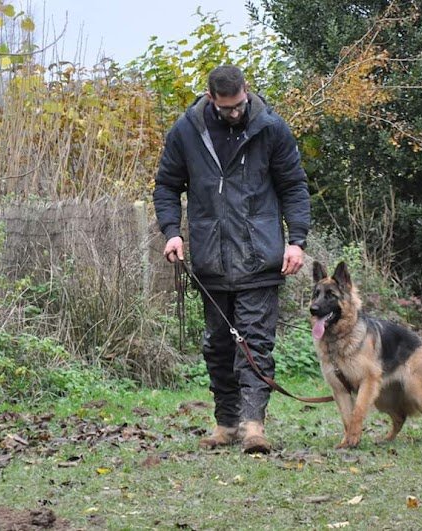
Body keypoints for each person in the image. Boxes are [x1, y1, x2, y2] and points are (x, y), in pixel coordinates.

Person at [153, 65, 310, 453]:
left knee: (255, 343)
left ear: (246, 92)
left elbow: (293, 186)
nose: (234, 113)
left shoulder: (271, 128)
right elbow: (167, 186)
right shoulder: (186, 132)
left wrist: (297, 241)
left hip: (260, 256)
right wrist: (172, 232)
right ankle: (225, 425)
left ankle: (254, 426)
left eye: (239, 105)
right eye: (226, 108)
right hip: (209, 258)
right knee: (218, 346)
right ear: (211, 99)